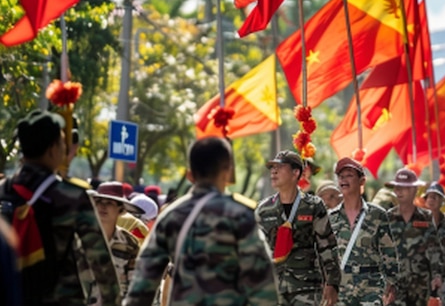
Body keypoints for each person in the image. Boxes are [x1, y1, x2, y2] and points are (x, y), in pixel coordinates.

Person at [124, 136, 277, 306]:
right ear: (227, 172)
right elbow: (262, 283)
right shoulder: (239, 215)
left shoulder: (171, 216)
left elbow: (142, 284)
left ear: (190, 174)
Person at [0, 109, 120, 306]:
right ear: (52, 150)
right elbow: (101, 263)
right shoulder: (73, 196)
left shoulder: (3, 190)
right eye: (62, 143)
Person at [256, 150, 341, 306]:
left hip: (306, 288)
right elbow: (257, 251)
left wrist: (333, 283)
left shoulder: (313, 205)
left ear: (295, 172)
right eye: (272, 167)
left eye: (280, 167)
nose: (273, 171)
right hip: (273, 288)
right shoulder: (263, 209)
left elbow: (327, 247)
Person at [329, 157, 398, 306]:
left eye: (349, 175)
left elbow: (389, 253)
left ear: (362, 181)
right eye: (341, 176)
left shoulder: (377, 215)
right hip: (341, 288)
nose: (344, 180)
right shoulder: (330, 217)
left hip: (371, 287)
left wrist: (391, 284)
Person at [385, 167, 440, 306]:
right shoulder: (387, 218)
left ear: (415, 190)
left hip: (420, 283)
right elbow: (381, 251)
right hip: (394, 285)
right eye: (397, 188)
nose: (399, 191)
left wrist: (437, 275)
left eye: (404, 188)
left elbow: (434, 248)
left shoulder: (425, 217)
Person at [89, 181, 143, 297]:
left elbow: (134, 285)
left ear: (120, 209)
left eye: (109, 203)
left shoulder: (130, 244)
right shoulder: (81, 237)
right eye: (98, 202)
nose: (102, 206)